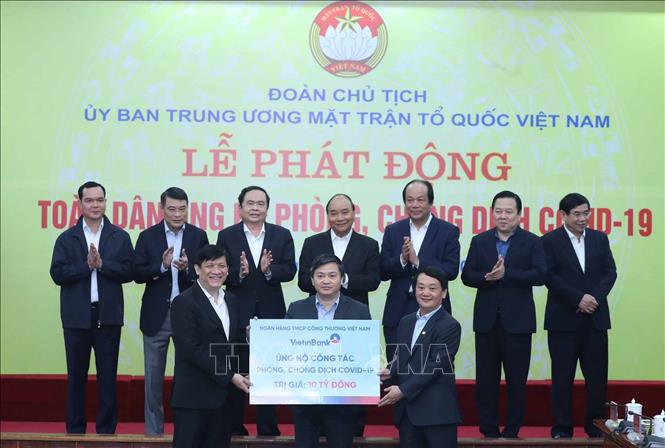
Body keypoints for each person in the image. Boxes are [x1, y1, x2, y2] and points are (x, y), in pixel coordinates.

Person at [49, 181, 134, 434]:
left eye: (100, 200)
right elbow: (57, 273)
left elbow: (130, 271)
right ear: (80, 203)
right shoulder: (67, 238)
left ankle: (106, 431)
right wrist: (86, 266)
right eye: (89, 200)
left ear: (105, 202)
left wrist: (103, 265)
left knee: (108, 378)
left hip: (108, 317)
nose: (95, 205)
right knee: (76, 378)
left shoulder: (119, 236)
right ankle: (75, 431)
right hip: (76, 318)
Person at [461, 190, 546, 438]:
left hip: (518, 323)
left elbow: (540, 275)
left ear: (519, 215)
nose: (503, 216)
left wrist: (507, 274)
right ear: (492, 213)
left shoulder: (532, 242)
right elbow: (467, 276)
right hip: (486, 322)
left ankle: (511, 431)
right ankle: (489, 430)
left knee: (516, 381)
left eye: (509, 211)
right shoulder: (480, 241)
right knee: (485, 381)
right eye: (498, 211)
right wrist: (487, 277)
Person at [216, 185, 297, 436]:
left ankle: (268, 429)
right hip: (236, 311)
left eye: (260, 204)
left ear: (267, 208)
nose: (255, 208)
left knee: (268, 371)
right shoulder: (227, 236)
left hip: (271, 313)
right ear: (240, 208)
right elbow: (218, 270)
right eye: (249, 203)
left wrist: (269, 271)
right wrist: (238, 274)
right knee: (236, 368)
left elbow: (290, 270)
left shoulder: (281, 235)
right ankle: (234, 427)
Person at [133, 187, 209, 435]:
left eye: (182, 209)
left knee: (189, 377)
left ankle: (187, 432)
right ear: (162, 208)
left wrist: (189, 271)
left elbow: (209, 274)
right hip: (157, 316)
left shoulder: (198, 236)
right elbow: (136, 273)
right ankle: (153, 433)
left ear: (188, 208)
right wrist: (162, 266)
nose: (177, 214)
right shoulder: (148, 236)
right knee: (153, 380)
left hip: (189, 315)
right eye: (172, 209)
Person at [542, 193, 617, 438]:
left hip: (595, 320)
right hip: (563, 321)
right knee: (562, 378)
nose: (582, 218)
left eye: (586, 213)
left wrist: (593, 298)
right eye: (577, 214)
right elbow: (549, 276)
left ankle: (595, 427)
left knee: (597, 379)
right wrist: (578, 299)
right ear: (563, 215)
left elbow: (610, 273)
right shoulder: (549, 241)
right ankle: (562, 429)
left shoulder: (599, 238)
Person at [286, 253, 372, 448]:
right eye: (320, 275)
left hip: (342, 400)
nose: (326, 281)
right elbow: (286, 349)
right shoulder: (296, 309)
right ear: (312, 280)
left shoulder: (359, 311)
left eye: (332, 276)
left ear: (342, 279)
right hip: (306, 398)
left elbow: (365, 351)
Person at [170, 244, 251, 448]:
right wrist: (230, 376)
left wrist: (248, 340)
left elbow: (230, 344)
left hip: (224, 399)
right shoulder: (183, 302)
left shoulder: (232, 300)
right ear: (197, 269)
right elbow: (191, 349)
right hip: (194, 398)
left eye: (222, 266)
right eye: (210, 266)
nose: (217, 271)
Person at [378, 267, 462, 448]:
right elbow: (403, 357)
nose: (425, 293)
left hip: (436, 414)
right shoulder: (405, 322)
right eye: (420, 287)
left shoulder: (450, 325)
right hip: (408, 414)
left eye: (432, 288)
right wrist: (390, 371)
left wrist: (402, 390)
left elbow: (435, 366)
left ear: (444, 293)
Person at [380, 179, 460, 361]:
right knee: (396, 366)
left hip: (433, 310)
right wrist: (402, 259)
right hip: (398, 310)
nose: (414, 205)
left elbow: (451, 270)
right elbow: (383, 271)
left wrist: (418, 261)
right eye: (410, 200)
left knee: (432, 366)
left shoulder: (448, 231)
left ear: (431, 202)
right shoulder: (393, 230)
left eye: (420, 200)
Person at [298, 193, 380, 306]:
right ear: (328, 216)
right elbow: (303, 281)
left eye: (345, 212)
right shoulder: (311, 243)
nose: (340, 218)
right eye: (334, 214)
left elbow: (373, 281)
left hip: (355, 311)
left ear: (354, 213)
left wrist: (344, 279)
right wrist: (322, 281)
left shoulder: (369, 245)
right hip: (318, 311)